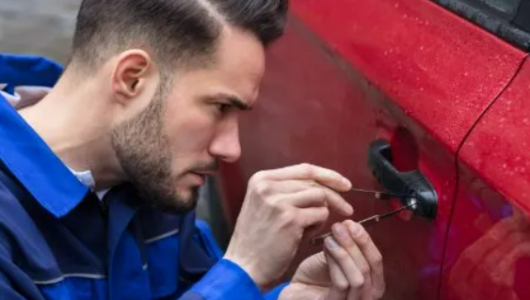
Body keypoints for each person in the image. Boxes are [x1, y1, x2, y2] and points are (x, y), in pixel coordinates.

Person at [0, 0, 386, 299]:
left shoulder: (148, 176)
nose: (231, 149)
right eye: (219, 107)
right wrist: (245, 269)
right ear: (133, 79)